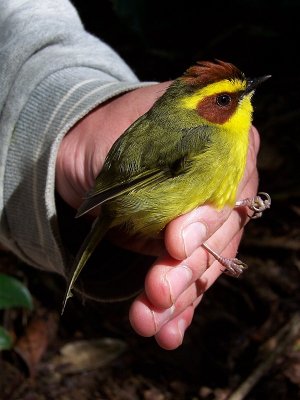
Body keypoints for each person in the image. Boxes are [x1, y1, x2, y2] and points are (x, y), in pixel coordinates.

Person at [0, 0, 260, 350]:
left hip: (117, 189)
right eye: (227, 100)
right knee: (187, 238)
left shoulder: (226, 135)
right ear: (204, 110)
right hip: (128, 197)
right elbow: (141, 189)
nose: (242, 98)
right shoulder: (206, 138)